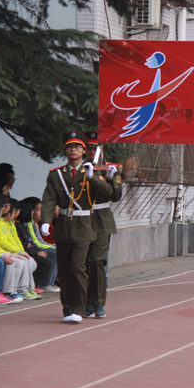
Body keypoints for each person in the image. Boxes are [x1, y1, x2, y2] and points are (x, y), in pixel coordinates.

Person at [41, 131, 112, 323]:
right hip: (64, 226)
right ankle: (68, 308)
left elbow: (109, 192)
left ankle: (80, 309)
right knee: (64, 270)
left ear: (83, 151)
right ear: (66, 150)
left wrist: (93, 177)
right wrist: (46, 220)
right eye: (70, 147)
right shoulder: (56, 175)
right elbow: (48, 199)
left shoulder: (92, 171)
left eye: (78, 147)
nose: (74, 150)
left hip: (84, 226)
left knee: (78, 267)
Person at [84, 131, 123, 319]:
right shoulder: (79, 168)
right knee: (82, 263)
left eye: (95, 149)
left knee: (97, 261)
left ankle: (98, 303)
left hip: (101, 220)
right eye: (89, 149)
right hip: (81, 219)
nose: (91, 153)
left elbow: (115, 196)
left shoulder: (110, 169)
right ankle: (86, 303)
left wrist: (108, 177)